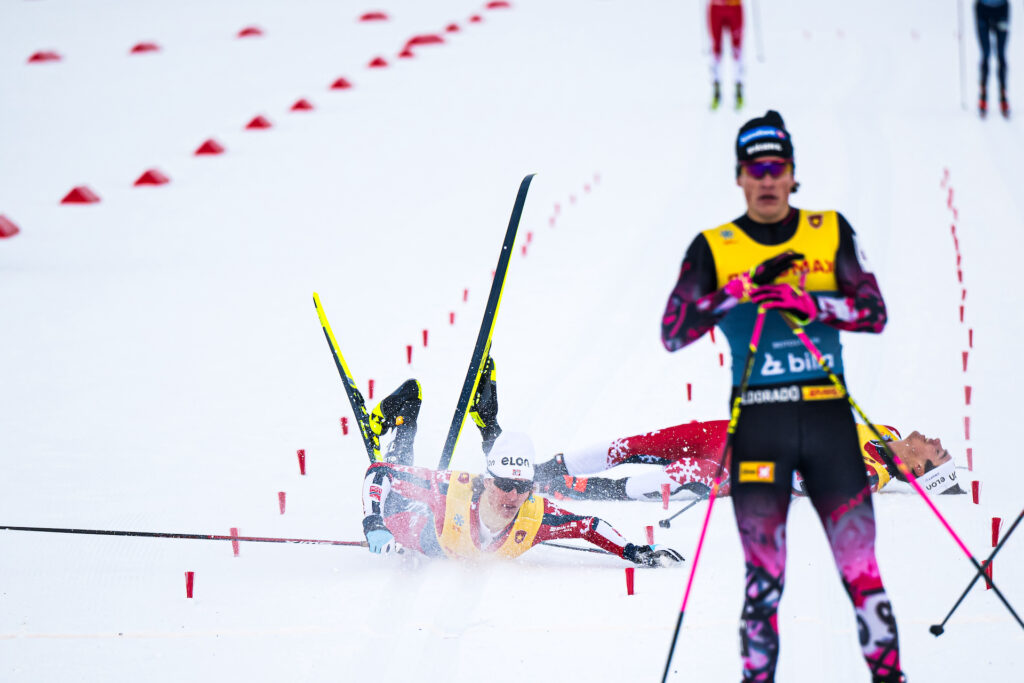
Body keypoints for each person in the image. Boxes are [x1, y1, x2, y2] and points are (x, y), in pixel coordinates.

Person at [658, 110, 905, 682]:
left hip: (828, 427)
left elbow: (874, 312)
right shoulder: (714, 247)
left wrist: (809, 303)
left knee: (862, 576)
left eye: (777, 168)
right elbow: (673, 331)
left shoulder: (830, 230)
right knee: (763, 583)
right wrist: (741, 290)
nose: (767, 179)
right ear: (739, 177)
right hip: (759, 430)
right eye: (756, 169)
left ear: (793, 174)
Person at [359, 362, 684, 567]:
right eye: (505, 485)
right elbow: (380, 474)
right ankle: (404, 410)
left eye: (522, 488)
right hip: (409, 521)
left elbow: (589, 525)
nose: (513, 496)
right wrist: (374, 523)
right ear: (488, 481)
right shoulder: (451, 487)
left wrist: (634, 551)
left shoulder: (536, 516)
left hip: (445, 540)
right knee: (395, 484)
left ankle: (483, 417)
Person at [534, 419, 963, 502]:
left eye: (937, 452)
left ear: (919, 470)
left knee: (674, 476)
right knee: (637, 443)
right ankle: (542, 470)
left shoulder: (870, 475)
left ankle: (570, 489)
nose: (936, 440)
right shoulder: (885, 430)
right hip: (735, 429)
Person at [975, 0, 1011, 118]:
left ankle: (1003, 96)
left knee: (1001, 54)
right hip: (983, 9)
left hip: (1001, 9)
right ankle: (983, 95)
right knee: (986, 54)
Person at [708, 0, 745, 110]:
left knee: (737, 49)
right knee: (716, 49)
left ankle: (739, 88)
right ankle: (716, 89)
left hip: (734, 6)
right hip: (716, 7)